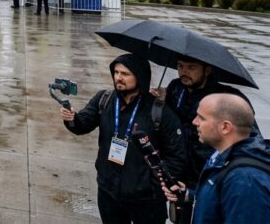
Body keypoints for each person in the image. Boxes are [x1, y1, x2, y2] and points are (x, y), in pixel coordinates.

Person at [61, 53, 187, 224]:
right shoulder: (104, 99)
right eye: (116, 72)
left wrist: (152, 185)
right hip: (109, 192)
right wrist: (72, 119)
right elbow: (83, 125)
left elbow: (176, 156)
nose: (118, 78)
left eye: (125, 74)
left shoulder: (160, 112)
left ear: (140, 77)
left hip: (146, 200)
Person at [162, 94, 270, 223]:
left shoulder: (245, 180)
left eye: (201, 118)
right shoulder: (221, 155)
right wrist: (189, 195)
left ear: (225, 127)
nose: (194, 122)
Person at [162, 57, 259, 187]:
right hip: (181, 169)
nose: (183, 72)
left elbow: (250, 137)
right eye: (180, 66)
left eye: (191, 67)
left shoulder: (228, 97)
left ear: (207, 71)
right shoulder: (176, 88)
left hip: (211, 170)